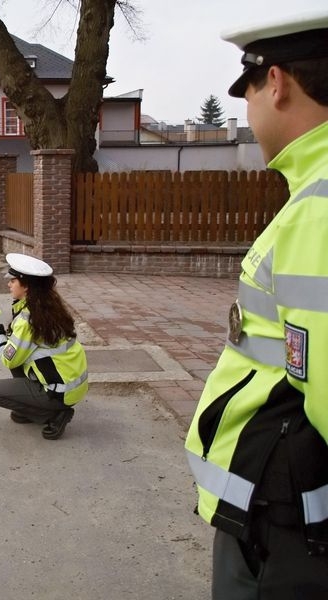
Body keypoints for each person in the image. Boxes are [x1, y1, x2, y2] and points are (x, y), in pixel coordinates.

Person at [183, 12, 328, 599]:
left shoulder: (320, 211)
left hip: (287, 532)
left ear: (276, 82)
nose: (249, 113)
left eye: (247, 94)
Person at [0, 253, 87, 440]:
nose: (9, 284)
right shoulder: (47, 306)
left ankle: (53, 414)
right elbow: (20, 346)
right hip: (70, 385)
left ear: (27, 285)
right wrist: (1, 337)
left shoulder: (28, 319)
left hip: (59, 392)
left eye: (13, 280)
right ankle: (35, 407)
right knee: (18, 360)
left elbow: (9, 359)